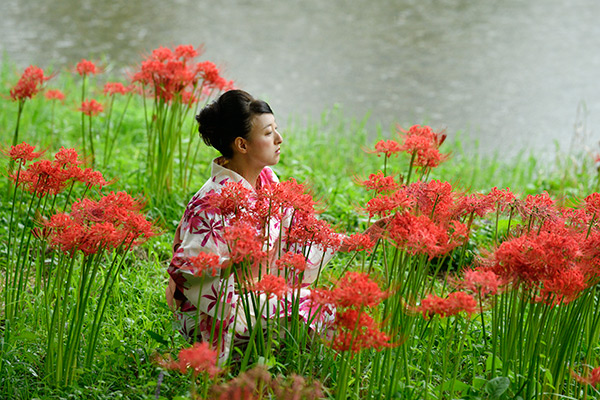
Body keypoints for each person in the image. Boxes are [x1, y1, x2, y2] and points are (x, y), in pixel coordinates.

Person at [166, 90, 386, 364]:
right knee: (320, 306)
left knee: (325, 305)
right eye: (269, 133)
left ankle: (286, 355)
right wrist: (233, 264)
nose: (279, 139)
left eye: (276, 129)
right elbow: (187, 267)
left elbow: (301, 229)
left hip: (255, 296)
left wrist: (354, 241)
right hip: (213, 314)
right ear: (242, 145)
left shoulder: (267, 180)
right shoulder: (210, 202)